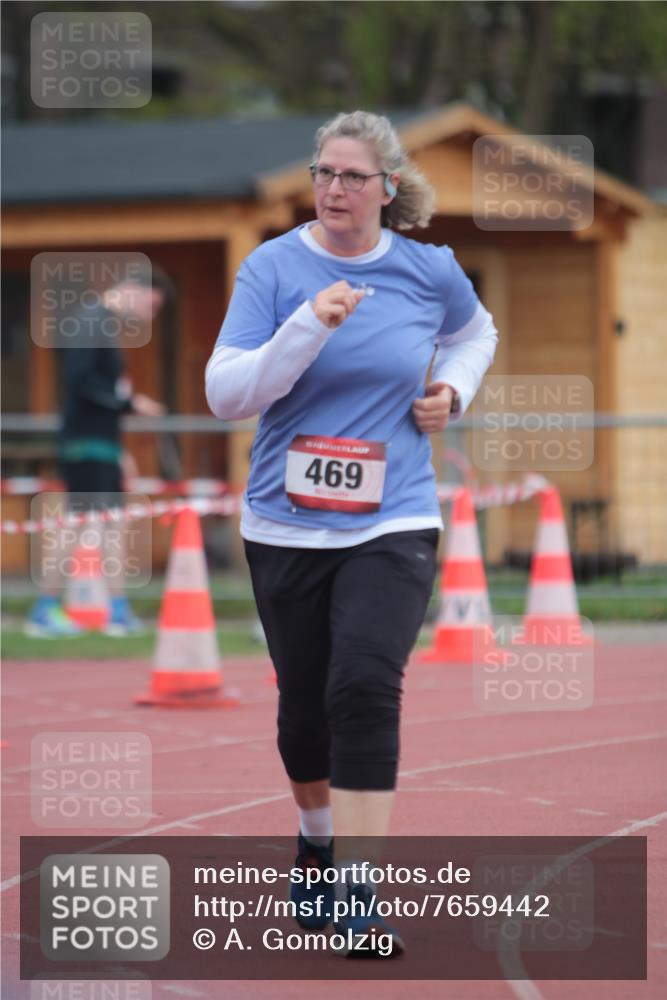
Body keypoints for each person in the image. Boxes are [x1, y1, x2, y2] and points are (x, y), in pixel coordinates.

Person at [205, 110, 498, 955]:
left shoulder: (426, 270)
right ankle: (316, 839)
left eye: (352, 177)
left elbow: (476, 332)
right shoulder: (272, 267)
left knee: (364, 688)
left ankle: (358, 890)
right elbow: (229, 394)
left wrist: (453, 392)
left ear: (387, 188)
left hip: (394, 516)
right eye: (323, 173)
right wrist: (308, 326)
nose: (334, 189)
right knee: (304, 713)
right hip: (284, 523)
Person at [26, 277, 165, 638]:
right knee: (82, 527)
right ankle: (49, 610)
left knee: (106, 526)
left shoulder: (103, 322)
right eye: (151, 307)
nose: (149, 317)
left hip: (100, 444)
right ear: (134, 289)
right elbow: (82, 382)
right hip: (85, 444)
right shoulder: (92, 320)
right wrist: (130, 404)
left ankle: (113, 611)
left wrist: (119, 450)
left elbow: (97, 387)